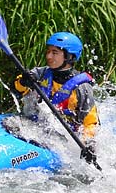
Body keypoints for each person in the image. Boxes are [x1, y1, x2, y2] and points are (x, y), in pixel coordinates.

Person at [12, 31, 99, 164]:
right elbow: (18, 88)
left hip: (61, 136)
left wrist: (88, 145)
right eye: (48, 51)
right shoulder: (40, 73)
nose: (49, 56)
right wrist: (24, 81)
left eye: (55, 52)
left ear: (69, 56)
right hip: (33, 125)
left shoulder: (82, 88)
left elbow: (90, 122)